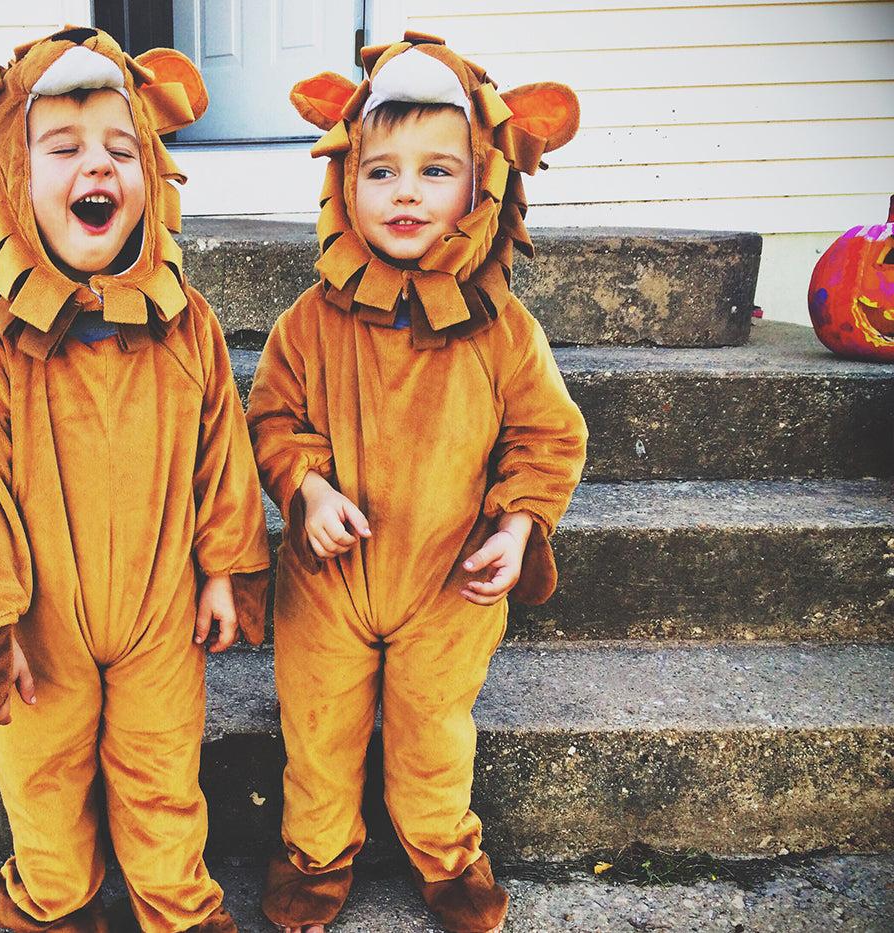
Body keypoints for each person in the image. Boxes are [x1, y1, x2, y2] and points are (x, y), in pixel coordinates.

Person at [0, 27, 270, 932]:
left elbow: (220, 450)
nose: (95, 168)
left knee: (163, 769)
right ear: (12, 179)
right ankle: (55, 902)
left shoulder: (189, 329)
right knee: (43, 777)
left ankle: (177, 903)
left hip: (159, 613)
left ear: (151, 175)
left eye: (120, 149)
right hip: (43, 626)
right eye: (62, 150)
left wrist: (227, 565)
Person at [247, 32, 589, 933]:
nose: (405, 191)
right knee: (316, 730)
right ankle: (316, 854)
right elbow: (272, 417)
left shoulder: (502, 327)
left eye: (436, 172)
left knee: (434, 734)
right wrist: (308, 490)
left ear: (482, 185)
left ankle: (446, 854)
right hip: (327, 584)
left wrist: (516, 528)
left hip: (449, 579)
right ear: (343, 183)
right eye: (381, 171)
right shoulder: (309, 322)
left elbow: (548, 435)